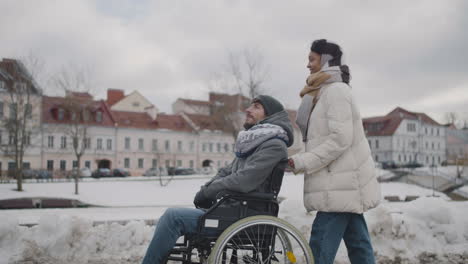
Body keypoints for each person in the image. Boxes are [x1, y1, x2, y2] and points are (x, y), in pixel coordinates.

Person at [142, 95, 294, 264]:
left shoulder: (273, 145)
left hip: (245, 212)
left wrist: (210, 191)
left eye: (256, 107)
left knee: (173, 217)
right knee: (173, 216)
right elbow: (226, 172)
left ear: (270, 115)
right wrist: (207, 189)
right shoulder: (255, 142)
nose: (248, 109)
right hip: (234, 208)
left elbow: (244, 180)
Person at [288, 39, 381, 264]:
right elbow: (318, 138)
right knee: (359, 247)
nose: (308, 65)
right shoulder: (322, 92)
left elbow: (340, 139)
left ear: (326, 60)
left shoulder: (336, 91)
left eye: (312, 59)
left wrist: (303, 161)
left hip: (339, 182)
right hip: (342, 182)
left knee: (319, 250)